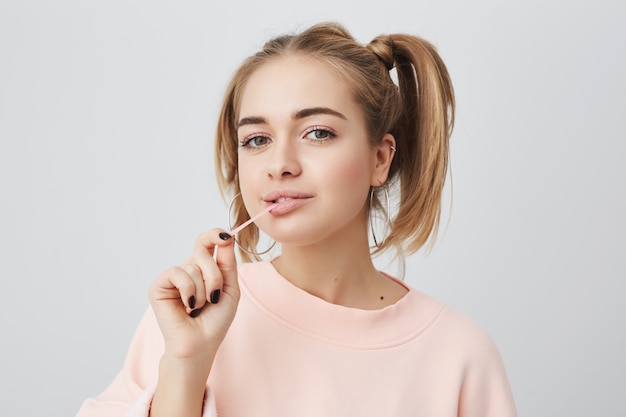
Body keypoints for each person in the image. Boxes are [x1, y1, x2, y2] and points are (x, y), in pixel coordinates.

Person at [76, 21, 516, 417]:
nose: (279, 164)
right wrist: (186, 365)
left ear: (380, 159)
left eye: (317, 133)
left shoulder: (460, 354)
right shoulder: (184, 322)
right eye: (257, 139)